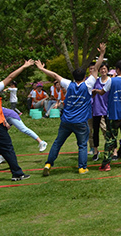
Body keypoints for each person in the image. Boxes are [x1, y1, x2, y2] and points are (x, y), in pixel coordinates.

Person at [38, 44, 106, 176]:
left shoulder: (69, 84)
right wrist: (102, 53)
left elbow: (55, 75)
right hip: (80, 122)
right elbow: (96, 68)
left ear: (74, 77)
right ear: (85, 77)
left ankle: (48, 164)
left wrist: (41, 68)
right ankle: (82, 168)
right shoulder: (88, 85)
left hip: (66, 121)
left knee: (57, 143)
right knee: (82, 145)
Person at [90, 62, 110, 160]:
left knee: (109, 130)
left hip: (107, 109)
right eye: (101, 69)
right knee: (95, 131)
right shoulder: (95, 81)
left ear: (108, 70)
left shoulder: (110, 81)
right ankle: (95, 151)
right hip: (96, 109)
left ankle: (112, 150)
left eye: (105, 69)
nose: (103, 70)